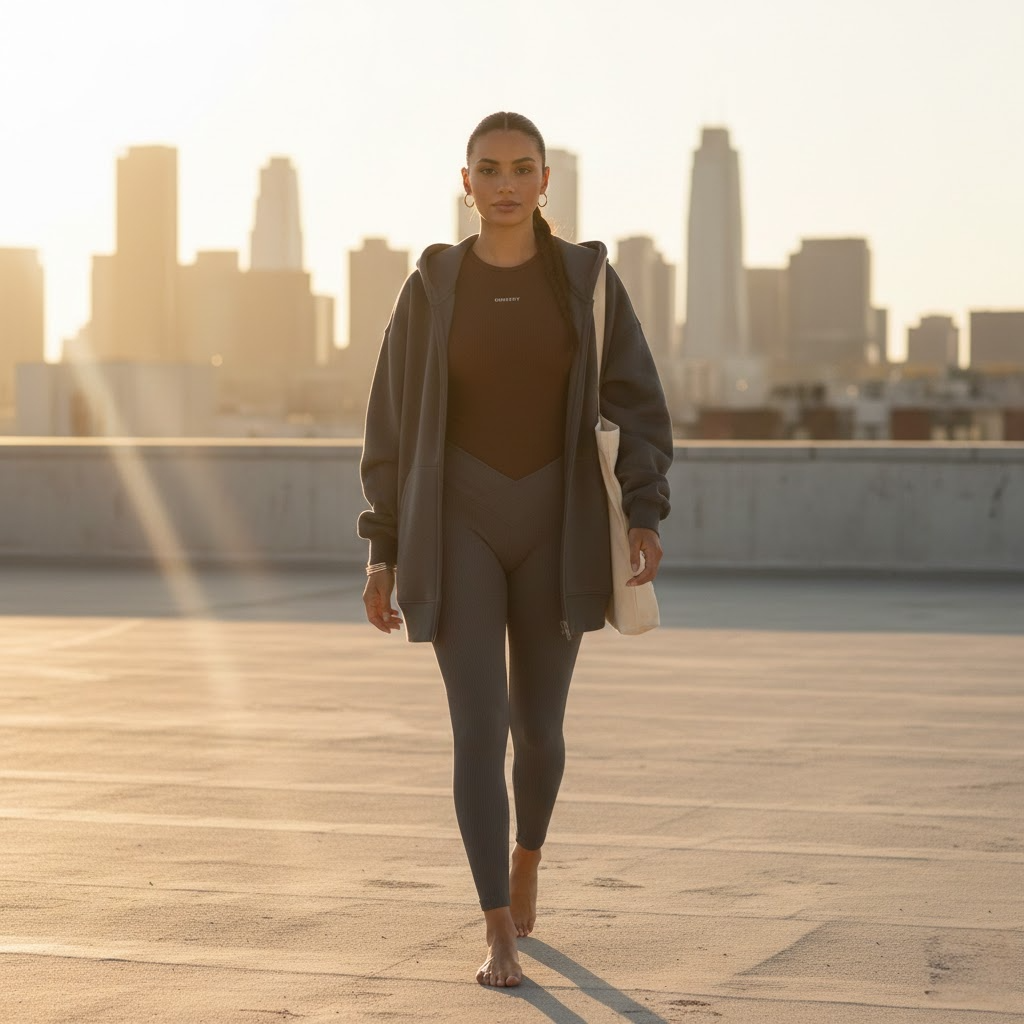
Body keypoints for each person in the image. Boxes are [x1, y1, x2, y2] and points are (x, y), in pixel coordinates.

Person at [357, 111, 672, 988]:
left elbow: (637, 399)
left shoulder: (586, 280)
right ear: (466, 182)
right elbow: (387, 424)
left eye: (520, 169)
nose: (503, 184)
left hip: (558, 523)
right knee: (477, 729)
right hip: (455, 521)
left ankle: (527, 854)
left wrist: (645, 510)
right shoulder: (430, 286)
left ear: (543, 183)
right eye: (487, 169)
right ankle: (496, 922)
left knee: (538, 730)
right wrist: (381, 548)